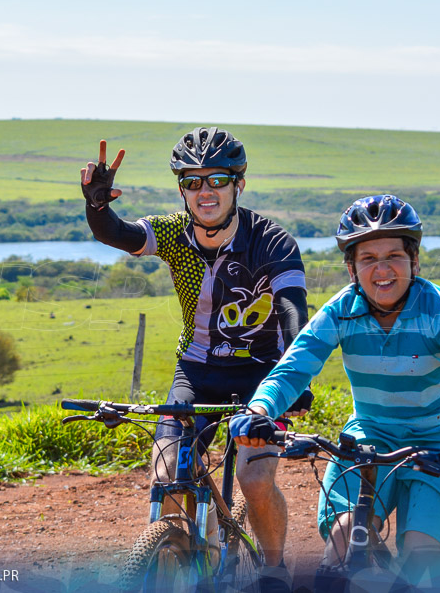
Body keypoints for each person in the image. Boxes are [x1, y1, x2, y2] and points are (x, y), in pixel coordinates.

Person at [230, 194, 440, 590]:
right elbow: (292, 370)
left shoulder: (439, 310)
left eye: (394, 257)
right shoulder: (342, 310)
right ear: (352, 268)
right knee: (341, 543)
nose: (382, 270)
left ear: (414, 261)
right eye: (367, 259)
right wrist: (259, 411)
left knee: (422, 554)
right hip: (372, 434)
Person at [81, 127, 311, 591]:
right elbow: (119, 234)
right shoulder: (173, 231)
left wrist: (294, 375)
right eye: (192, 181)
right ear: (182, 188)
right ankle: (190, 561)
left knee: (255, 475)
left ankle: (272, 569)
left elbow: (291, 312)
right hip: (196, 370)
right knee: (167, 476)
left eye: (216, 180)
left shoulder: (271, 241)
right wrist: (97, 205)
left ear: (237, 184)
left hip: (262, 376)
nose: (204, 191)